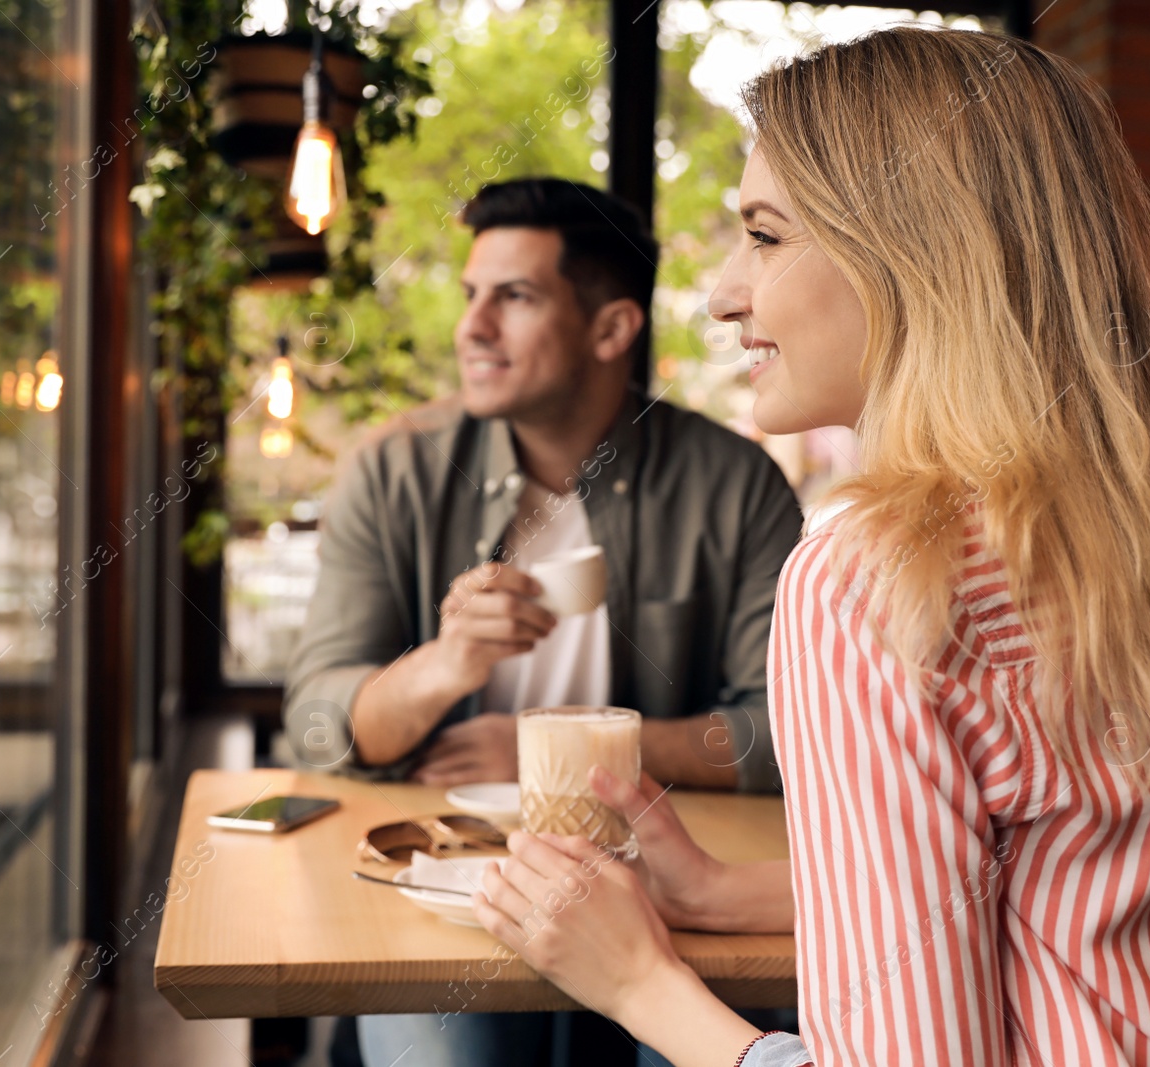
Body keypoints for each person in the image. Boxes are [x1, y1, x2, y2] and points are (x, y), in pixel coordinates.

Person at [472, 27, 1150, 1067]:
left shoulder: (870, 580)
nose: (721, 291)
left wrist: (640, 984)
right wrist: (719, 890)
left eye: (767, 235)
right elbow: (1064, 864)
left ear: (917, 256)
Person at [281, 177, 802, 1066]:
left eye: (513, 298)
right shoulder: (392, 473)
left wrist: (568, 753)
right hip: (448, 885)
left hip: (675, 885)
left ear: (611, 329)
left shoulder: (733, 485)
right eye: (470, 295)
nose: (471, 328)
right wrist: (444, 662)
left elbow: (786, 735)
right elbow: (316, 724)